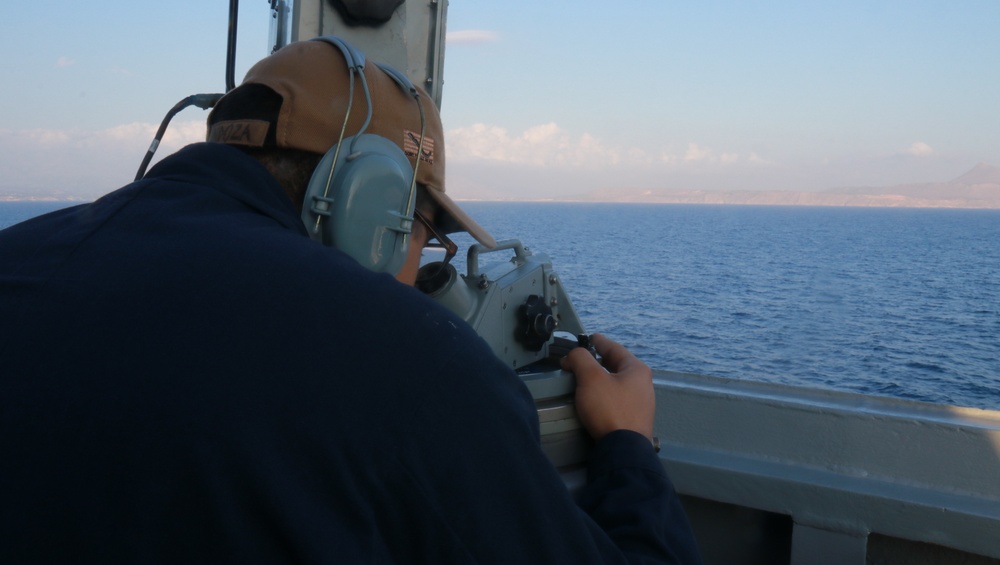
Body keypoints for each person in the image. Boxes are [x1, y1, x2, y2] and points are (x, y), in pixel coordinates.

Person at [0, 38, 701, 563]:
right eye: (424, 232)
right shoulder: (406, 357)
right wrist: (629, 447)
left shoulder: (21, 259)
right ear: (370, 209)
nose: (418, 267)